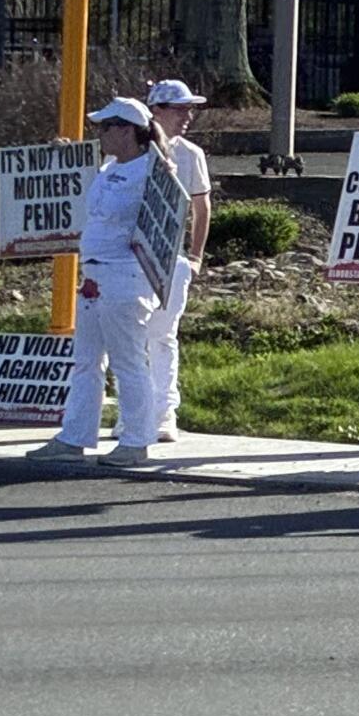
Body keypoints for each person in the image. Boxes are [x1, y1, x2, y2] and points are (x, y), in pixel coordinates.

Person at [28, 97, 166, 470]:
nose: (100, 134)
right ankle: (74, 437)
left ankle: (136, 442)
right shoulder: (108, 168)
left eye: (106, 127)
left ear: (126, 130)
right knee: (86, 361)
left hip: (125, 276)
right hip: (94, 275)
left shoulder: (153, 172)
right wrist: (67, 157)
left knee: (128, 361)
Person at [143, 78, 212, 443]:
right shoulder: (133, 148)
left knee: (163, 337)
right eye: (179, 108)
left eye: (189, 109)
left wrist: (196, 255)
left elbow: (202, 206)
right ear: (156, 111)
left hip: (173, 259)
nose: (187, 116)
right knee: (131, 340)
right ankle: (135, 413)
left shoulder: (191, 154)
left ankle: (164, 414)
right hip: (132, 259)